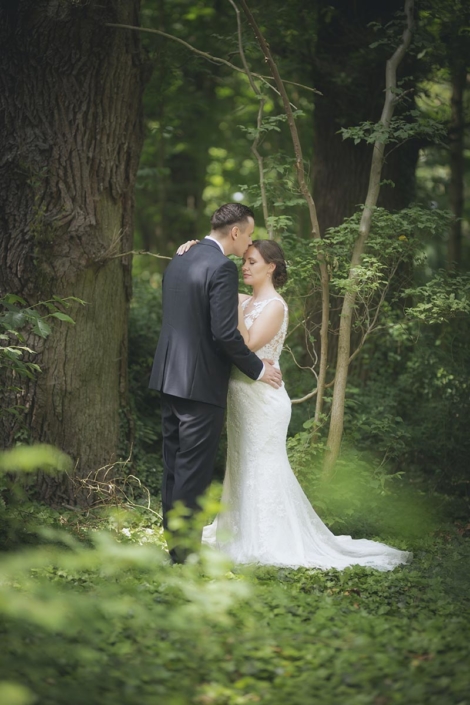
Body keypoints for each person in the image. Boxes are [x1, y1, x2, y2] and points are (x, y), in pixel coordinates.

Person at [179, 237, 412, 571]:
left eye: (252, 262)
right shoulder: (245, 300)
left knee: (264, 466)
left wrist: (229, 301)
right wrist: (194, 247)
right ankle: (239, 531)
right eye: (243, 261)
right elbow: (209, 293)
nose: (244, 267)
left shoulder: (274, 305)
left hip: (263, 401)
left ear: (271, 267)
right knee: (241, 465)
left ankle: (269, 538)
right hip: (241, 399)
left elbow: (244, 344)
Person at [149, 203, 282, 563]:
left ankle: (174, 548)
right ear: (235, 232)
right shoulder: (221, 268)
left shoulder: (181, 258)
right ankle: (185, 555)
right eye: (250, 233)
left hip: (168, 377)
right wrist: (257, 369)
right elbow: (224, 333)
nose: (250, 241)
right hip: (200, 384)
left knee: (174, 466)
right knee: (192, 472)